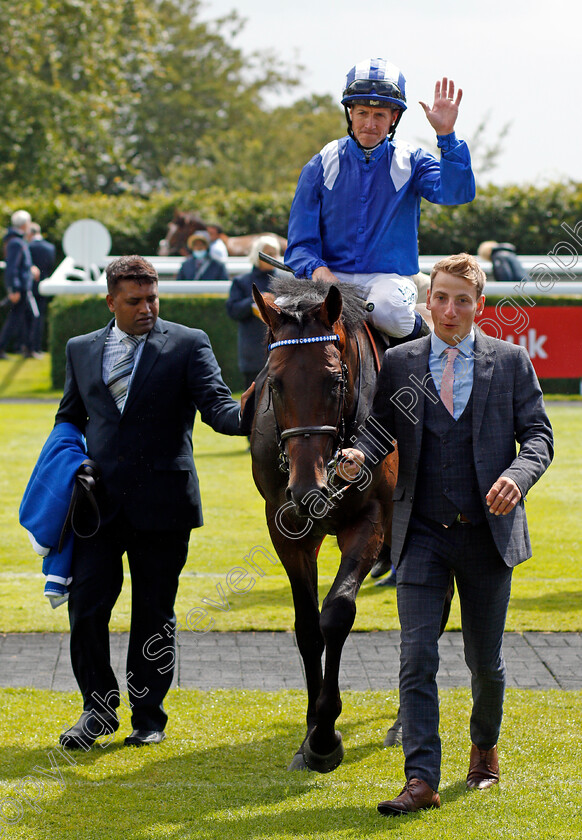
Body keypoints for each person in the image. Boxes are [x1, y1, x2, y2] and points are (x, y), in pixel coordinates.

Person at [339, 253, 553, 814]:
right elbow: (378, 429)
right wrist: (358, 453)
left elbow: (538, 438)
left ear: (480, 305)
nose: (450, 309)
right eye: (441, 297)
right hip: (421, 532)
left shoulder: (509, 363)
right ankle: (421, 780)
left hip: (488, 535)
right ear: (427, 301)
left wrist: (516, 476)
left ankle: (483, 749)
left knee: (485, 660)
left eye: (463, 299)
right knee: (416, 659)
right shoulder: (402, 363)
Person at [54, 255, 247, 749]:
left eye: (152, 298)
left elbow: (221, 412)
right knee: (87, 609)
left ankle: (149, 717)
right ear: (111, 301)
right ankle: (96, 713)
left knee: (154, 612)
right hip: (96, 507)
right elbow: (69, 418)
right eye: (135, 300)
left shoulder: (187, 343)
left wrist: (268, 395)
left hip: (164, 505)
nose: (147, 308)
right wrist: (65, 468)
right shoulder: (79, 349)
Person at [285, 58, 475, 343]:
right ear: (350, 113)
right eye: (362, 113)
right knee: (285, 316)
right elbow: (300, 244)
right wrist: (319, 272)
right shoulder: (321, 164)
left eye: (380, 116)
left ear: (394, 118)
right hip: (328, 277)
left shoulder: (411, 160)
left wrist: (446, 136)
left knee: (389, 311)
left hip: (390, 281)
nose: (369, 124)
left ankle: (429, 347)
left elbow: (456, 193)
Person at [226, 235, 281, 390]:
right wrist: (254, 302)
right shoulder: (242, 281)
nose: (272, 256)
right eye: (267, 252)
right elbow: (232, 310)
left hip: (281, 349)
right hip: (252, 350)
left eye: (275, 252)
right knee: (253, 399)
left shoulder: (283, 281)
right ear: (257, 253)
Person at [0, 209, 39, 359]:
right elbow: (12, 268)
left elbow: (21, 264)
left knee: (28, 317)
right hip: (21, 288)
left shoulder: (17, 240)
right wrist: (14, 288)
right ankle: (24, 348)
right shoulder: (16, 242)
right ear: (24, 224)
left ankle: (28, 349)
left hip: (23, 286)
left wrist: (31, 268)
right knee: (18, 319)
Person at [28, 222, 56, 357]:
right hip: (44, 286)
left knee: (28, 318)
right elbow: (50, 266)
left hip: (30, 286)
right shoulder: (50, 248)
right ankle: (37, 347)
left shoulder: (28, 247)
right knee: (40, 317)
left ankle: (26, 346)